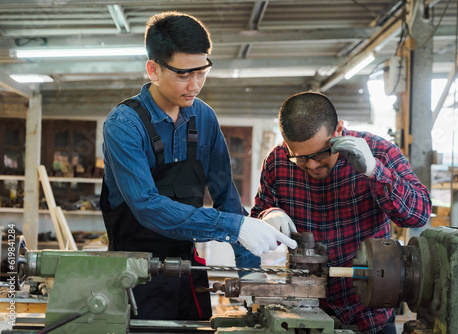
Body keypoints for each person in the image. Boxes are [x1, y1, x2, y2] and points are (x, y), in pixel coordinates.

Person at [100, 11, 296, 321]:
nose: (195, 84)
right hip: (132, 276)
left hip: (185, 269)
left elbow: (225, 195)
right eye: (183, 74)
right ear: (153, 70)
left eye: (202, 72)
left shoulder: (204, 118)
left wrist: (251, 273)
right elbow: (146, 206)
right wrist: (234, 227)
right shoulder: (123, 126)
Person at [251, 91, 431, 334]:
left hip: (370, 314)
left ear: (338, 129)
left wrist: (376, 172)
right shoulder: (277, 161)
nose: (312, 166)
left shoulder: (379, 152)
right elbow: (256, 220)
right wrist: (268, 215)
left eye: (320, 154)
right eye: (301, 159)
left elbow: (419, 215)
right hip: (306, 313)